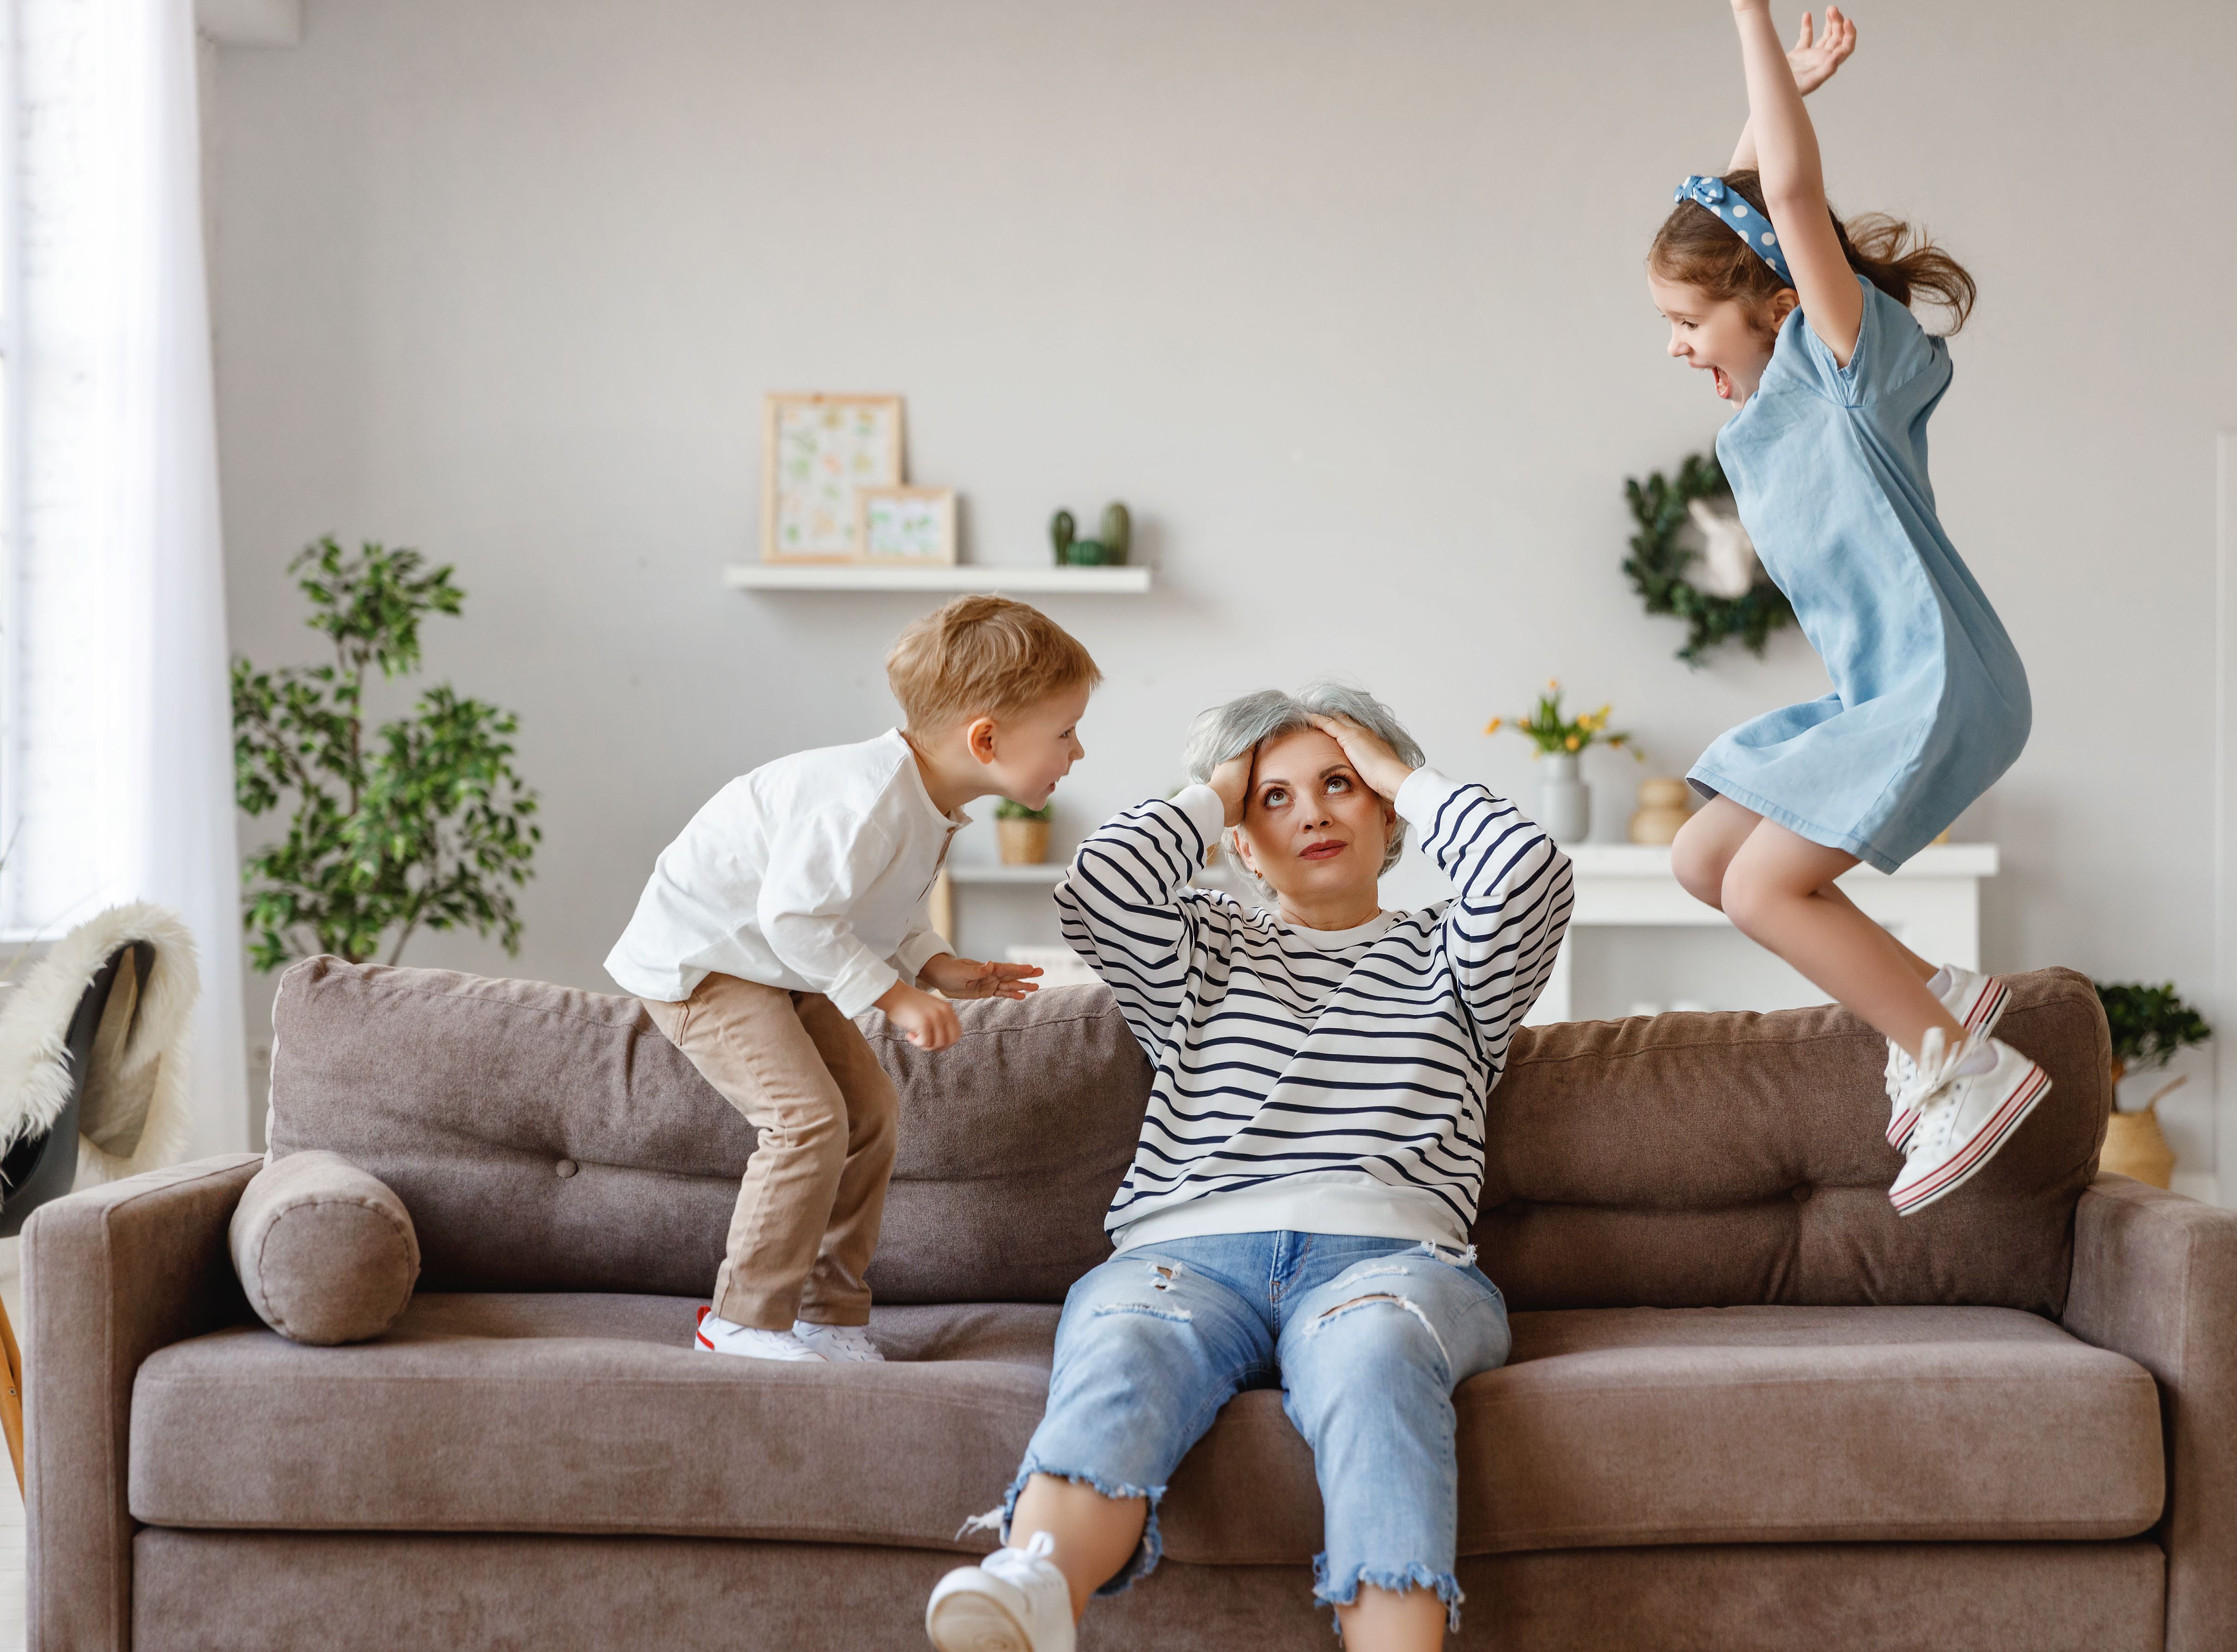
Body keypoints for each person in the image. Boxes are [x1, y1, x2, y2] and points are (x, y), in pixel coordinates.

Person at [922, 683, 1573, 1652]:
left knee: (1373, 1354)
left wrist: (1400, 771)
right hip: (1183, 1257)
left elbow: (1528, 873)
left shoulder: (1457, 956)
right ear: (1235, 830)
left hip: (1388, 1261)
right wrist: (1213, 789)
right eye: (1273, 797)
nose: (1309, 811)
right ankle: (1035, 1586)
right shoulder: (1197, 953)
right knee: (1125, 1340)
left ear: (1388, 810)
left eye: (1339, 785)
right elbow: (1098, 887)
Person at [1647, 3, 2040, 1216]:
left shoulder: (1846, 374)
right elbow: (1747, 217)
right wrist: (1780, 107)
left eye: (1684, 323)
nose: (1672, 349)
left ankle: (1958, 1065)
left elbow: (1791, 213)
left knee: (1769, 888)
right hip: (1875, 691)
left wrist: (1751, 23)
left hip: (1937, 680)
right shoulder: (1766, 412)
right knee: (1705, 856)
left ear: (1768, 304)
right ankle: (1934, 999)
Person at [605, 595, 1099, 1362]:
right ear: (987, 738)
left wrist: (937, 965)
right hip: (706, 960)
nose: (1078, 752)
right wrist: (898, 997)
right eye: (1065, 732)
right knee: (806, 1118)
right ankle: (740, 1319)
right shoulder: (866, 800)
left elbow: (874, 905)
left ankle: (826, 1314)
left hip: (774, 961)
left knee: (869, 1110)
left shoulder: (923, 800)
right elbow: (795, 919)